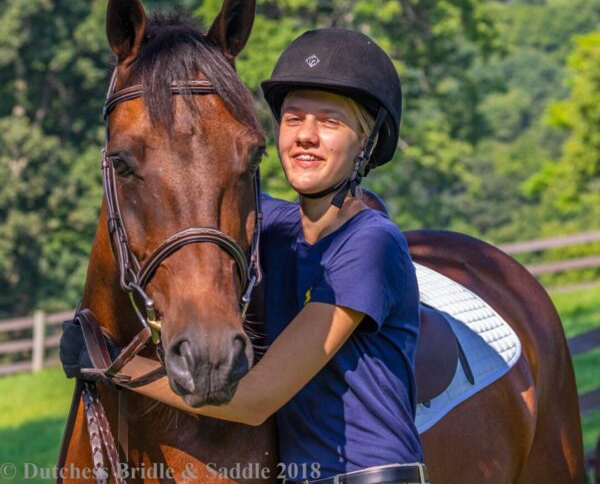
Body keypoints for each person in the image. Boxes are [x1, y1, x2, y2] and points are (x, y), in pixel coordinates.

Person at [61, 28, 427, 484]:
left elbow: (257, 399)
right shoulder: (271, 226)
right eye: (294, 119)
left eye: (330, 122)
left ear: (366, 141)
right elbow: (192, 198)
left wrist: (114, 365)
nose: (306, 136)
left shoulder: (369, 245)